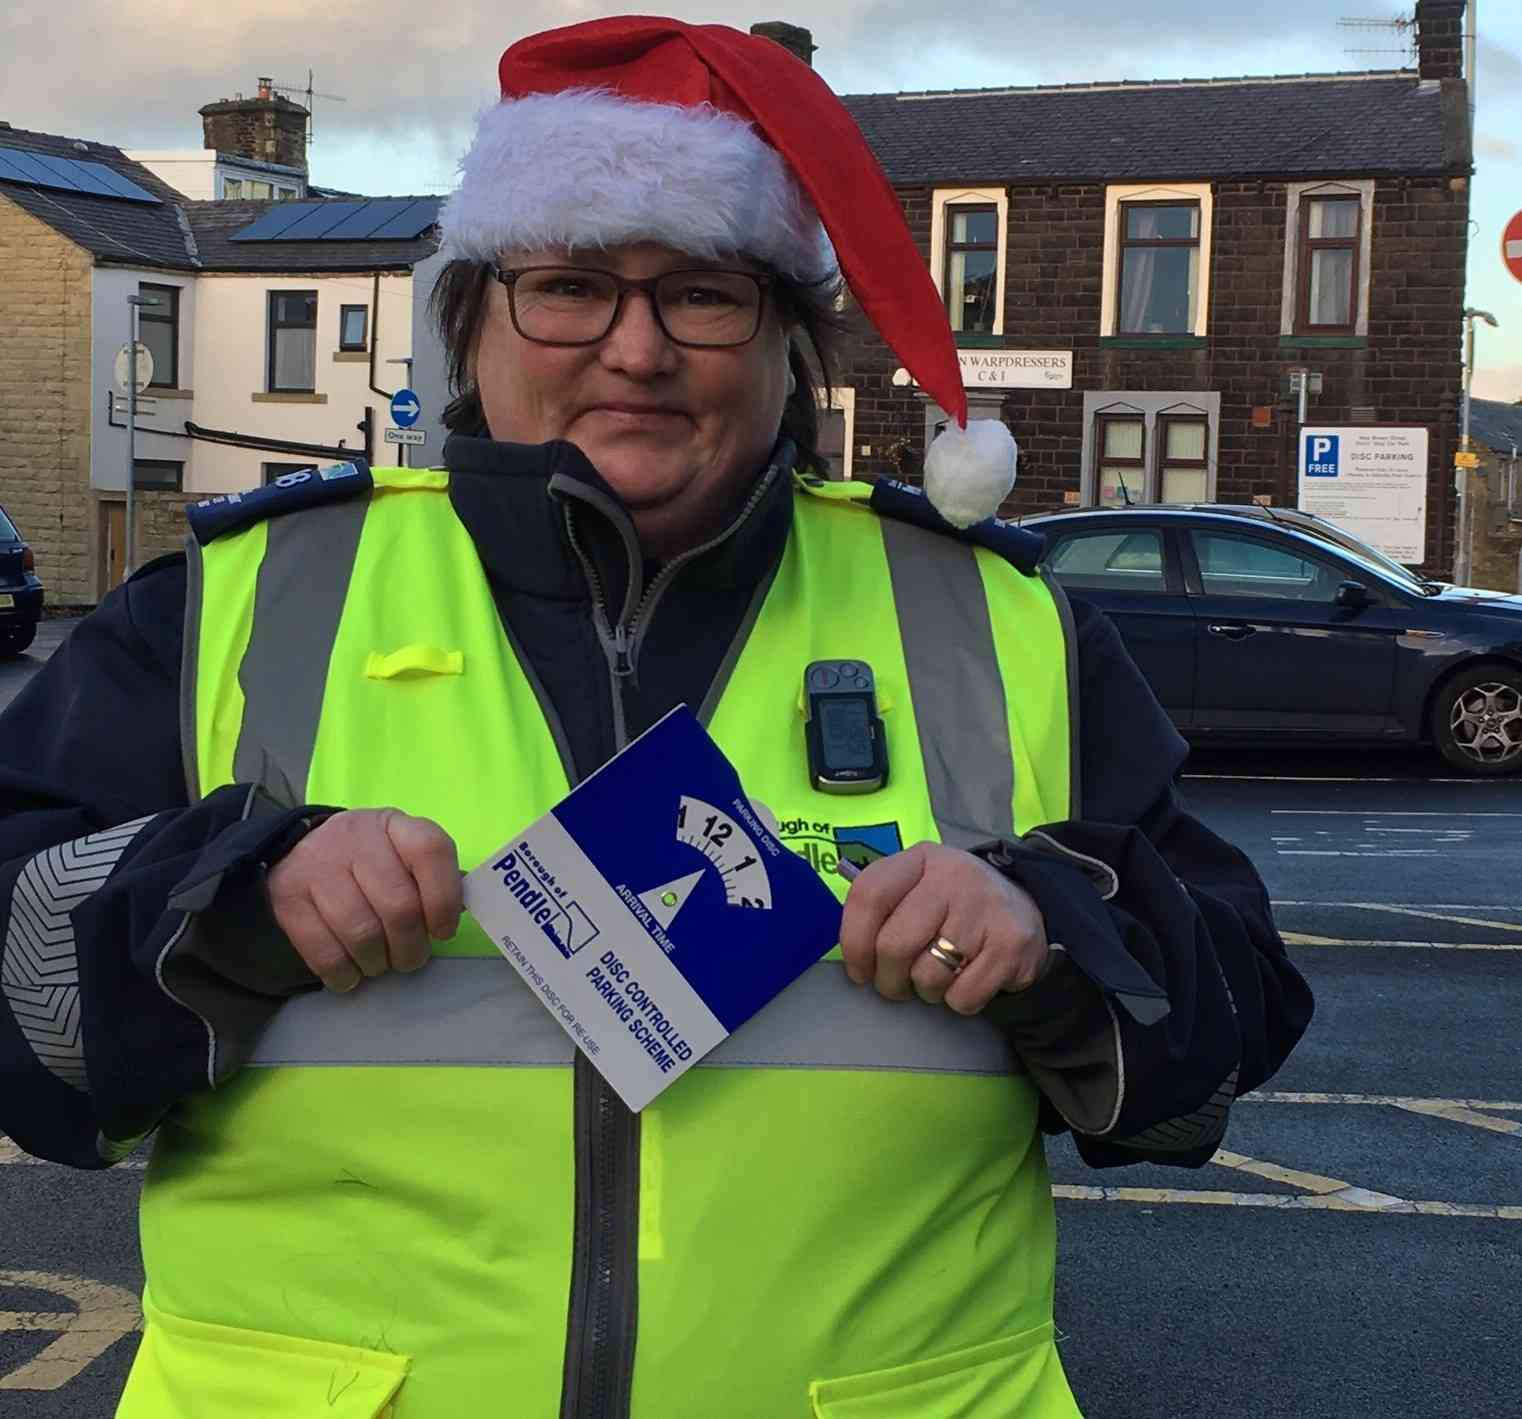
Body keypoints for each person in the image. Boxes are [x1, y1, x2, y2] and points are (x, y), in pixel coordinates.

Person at [0, 16, 1313, 1418]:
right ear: (475, 317)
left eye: (700, 293)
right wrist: (227, 895)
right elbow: (26, 1021)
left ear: (784, 339)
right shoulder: (238, 601)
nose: (635, 350)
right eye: (568, 286)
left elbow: (1212, 1058)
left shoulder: (999, 619)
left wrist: (1049, 934)